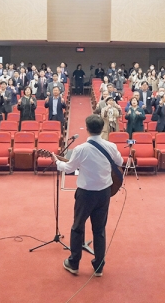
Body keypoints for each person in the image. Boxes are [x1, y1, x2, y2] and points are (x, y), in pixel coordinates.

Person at [53, 114, 123, 277]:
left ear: (87, 128)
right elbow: (119, 162)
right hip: (104, 193)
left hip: (85, 194)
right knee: (99, 229)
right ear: (102, 128)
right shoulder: (111, 146)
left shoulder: (81, 149)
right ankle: (99, 266)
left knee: (77, 227)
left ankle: (74, 263)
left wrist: (56, 162)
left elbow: (68, 168)